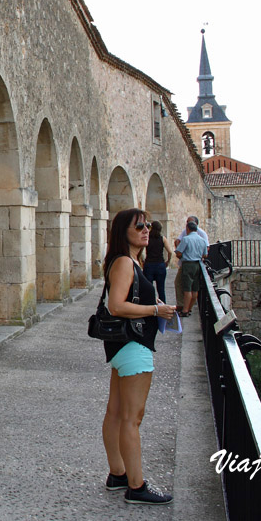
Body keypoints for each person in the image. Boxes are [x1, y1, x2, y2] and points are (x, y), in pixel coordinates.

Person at [100, 208, 175, 505]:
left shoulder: (129, 261)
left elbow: (124, 300)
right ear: (124, 232)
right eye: (140, 226)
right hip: (134, 347)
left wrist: (150, 301)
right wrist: (156, 310)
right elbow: (116, 306)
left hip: (124, 348)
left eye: (148, 226)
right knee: (132, 418)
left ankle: (118, 474)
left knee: (116, 413)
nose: (147, 230)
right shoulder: (124, 263)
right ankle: (137, 485)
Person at [174, 221, 208, 316]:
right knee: (195, 288)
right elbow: (205, 254)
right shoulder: (202, 240)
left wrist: (182, 257)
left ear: (187, 229)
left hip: (188, 264)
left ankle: (185, 310)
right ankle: (189, 308)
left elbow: (179, 252)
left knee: (187, 288)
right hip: (197, 264)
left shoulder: (186, 239)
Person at [142, 220, 171, 303]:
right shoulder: (162, 239)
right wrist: (168, 261)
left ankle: (150, 305)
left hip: (149, 264)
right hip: (160, 264)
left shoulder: (147, 238)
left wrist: (143, 260)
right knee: (161, 289)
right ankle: (163, 306)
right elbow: (170, 252)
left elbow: (140, 251)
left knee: (148, 289)